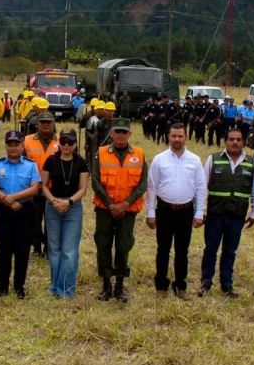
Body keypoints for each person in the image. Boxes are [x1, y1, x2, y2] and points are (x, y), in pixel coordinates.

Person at [198, 128, 254, 298]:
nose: (235, 142)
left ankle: (227, 284)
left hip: (237, 215)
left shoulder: (252, 162)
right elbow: (202, 186)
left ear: (243, 142)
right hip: (215, 214)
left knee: (230, 251)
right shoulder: (213, 159)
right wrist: (201, 210)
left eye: (238, 139)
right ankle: (206, 282)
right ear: (225, 141)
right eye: (231, 139)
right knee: (210, 249)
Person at [146, 123, 207, 299]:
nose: (177, 139)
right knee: (163, 249)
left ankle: (181, 286)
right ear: (168, 137)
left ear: (185, 137)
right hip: (164, 211)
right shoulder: (159, 159)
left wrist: (198, 213)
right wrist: (150, 213)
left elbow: (201, 188)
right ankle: (161, 286)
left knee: (182, 251)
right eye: (174, 136)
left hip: (185, 212)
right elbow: (152, 188)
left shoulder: (194, 160)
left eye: (180, 136)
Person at [91, 118, 147, 303]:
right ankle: (106, 284)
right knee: (103, 245)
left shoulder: (139, 154)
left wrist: (125, 204)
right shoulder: (101, 152)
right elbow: (96, 181)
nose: (121, 135)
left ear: (130, 134)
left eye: (124, 132)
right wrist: (110, 204)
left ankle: (120, 285)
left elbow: (142, 184)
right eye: (118, 132)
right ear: (112, 133)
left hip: (127, 210)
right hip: (105, 209)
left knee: (123, 246)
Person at [0, 130, 41, 298]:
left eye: (16, 145)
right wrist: (6, 200)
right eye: (10, 145)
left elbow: (35, 188)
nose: (13, 148)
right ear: (5, 146)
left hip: (24, 211)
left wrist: (14, 198)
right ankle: (2, 287)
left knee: (22, 250)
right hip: (3, 211)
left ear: (22, 146)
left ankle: (19, 287)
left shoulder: (30, 165)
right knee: (4, 250)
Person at [41, 128, 89, 299]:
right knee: (54, 249)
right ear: (59, 143)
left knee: (69, 250)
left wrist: (68, 202)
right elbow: (44, 185)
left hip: (73, 208)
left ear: (76, 144)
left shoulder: (81, 163)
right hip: (52, 206)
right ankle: (54, 286)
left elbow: (83, 189)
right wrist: (54, 201)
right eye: (63, 142)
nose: (66, 145)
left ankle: (66, 289)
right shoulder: (50, 161)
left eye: (70, 142)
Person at [23, 111, 59, 258]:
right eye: (42, 122)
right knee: (34, 220)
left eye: (48, 123)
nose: (45, 126)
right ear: (37, 124)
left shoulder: (62, 141)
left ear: (53, 124)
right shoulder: (27, 141)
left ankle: (49, 248)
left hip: (53, 189)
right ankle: (36, 247)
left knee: (52, 221)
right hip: (33, 189)